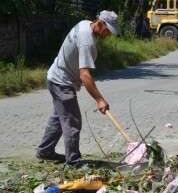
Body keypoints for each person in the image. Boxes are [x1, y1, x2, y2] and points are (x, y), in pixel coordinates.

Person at [35, 10, 121, 168]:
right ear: (100, 24)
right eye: (108, 30)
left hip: (55, 77)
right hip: (62, 83)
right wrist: (99, 99)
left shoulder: (84, 24)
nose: (109, 34)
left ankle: (45, 151)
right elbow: (85, 75)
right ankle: (73, 163)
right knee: (73, 121)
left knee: (59, 118)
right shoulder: (86, 41)